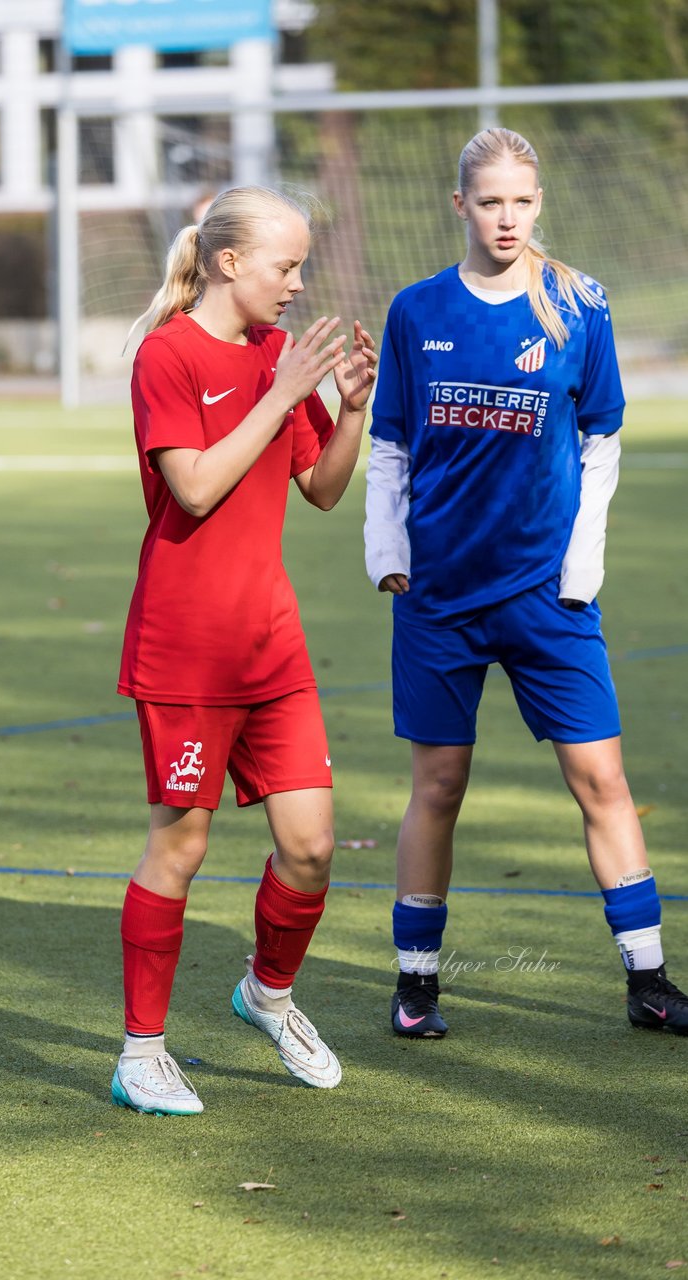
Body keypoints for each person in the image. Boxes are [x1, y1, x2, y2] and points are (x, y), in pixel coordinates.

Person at [365, 127, 688, 1041]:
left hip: (551, 597)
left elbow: (602, 443)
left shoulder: (579, 305)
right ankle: (416, 984)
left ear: (539, 203)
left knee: (602, 778)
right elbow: (388, 447)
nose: (507, 218)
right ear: (459, 205)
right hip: (439, 598)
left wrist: (581, 566)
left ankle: (650, 983)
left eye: (522, 201)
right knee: (439, 786)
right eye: (489, 201)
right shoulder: (415, 309)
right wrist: (386, 549)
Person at [114, 185, 378, 1115]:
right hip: (185, 650)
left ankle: (266, 994)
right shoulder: (168, 354)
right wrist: (279, 396)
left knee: (310, 849)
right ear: (230, 264)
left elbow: (321, 491)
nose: (299, 284)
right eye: (286, 266)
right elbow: (191, 488)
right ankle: (140, 1054)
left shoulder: (279, 356)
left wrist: (347, 412)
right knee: (179, 850)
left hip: (272, 644)